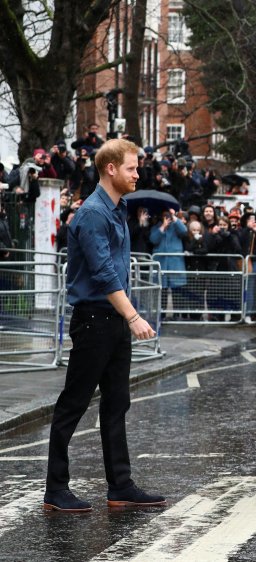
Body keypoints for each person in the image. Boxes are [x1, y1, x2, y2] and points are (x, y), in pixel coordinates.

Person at [43, 139, 162, 512]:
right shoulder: (94, 213)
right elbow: (103, 273)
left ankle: (121, 486)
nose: (137, 173)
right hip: (94, 321)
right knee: (73, 404)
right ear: (110, 168)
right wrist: (133, 315)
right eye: (131, 167)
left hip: (113, 321)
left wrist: (125, 317)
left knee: (117, 404)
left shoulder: (118, 207)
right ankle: (55, 489)